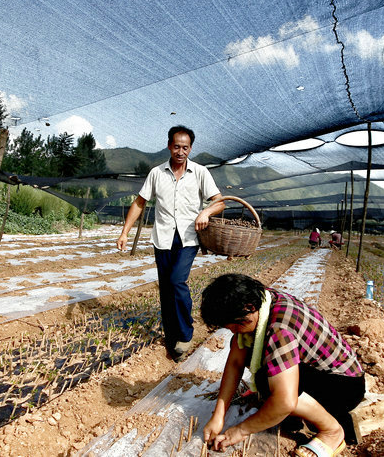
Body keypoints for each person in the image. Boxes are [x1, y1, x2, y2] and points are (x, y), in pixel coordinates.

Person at [200, 274, 365, 457]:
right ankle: (299, 412)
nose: (232, 332)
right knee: (255, 358)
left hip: (344, 388)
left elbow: (284, 401)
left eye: (234, 326)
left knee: (267, 382)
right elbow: (236, 361)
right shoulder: (262, 300)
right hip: (324, 373)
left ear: (249, 308)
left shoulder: (279, 329)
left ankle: (332, 431)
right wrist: (218, 415)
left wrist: (240, 431)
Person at [117, 125, 224, 361]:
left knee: (177, 281)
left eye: (185, 147)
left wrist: (206, 212)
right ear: (169, 146)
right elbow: (139, 203)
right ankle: (171, 337)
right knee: (166, 288)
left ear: (190, 149)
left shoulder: (200, 172)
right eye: (177, 146)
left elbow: (220, 201)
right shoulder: (156, 173)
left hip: (188, 238)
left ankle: (185, 334)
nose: (180, 151)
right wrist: (124, 232)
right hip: (163, 237)